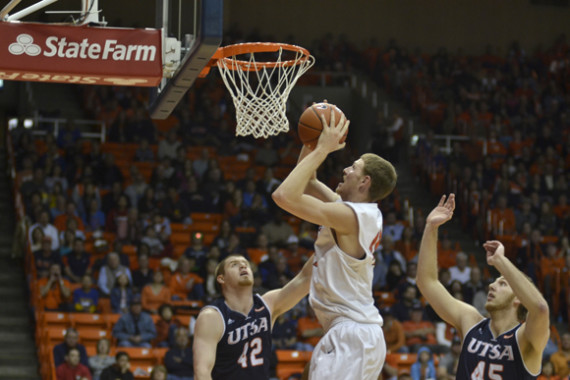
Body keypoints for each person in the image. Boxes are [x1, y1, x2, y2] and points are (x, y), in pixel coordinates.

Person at [271, 110, 397, 380]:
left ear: (365, 182)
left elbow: (284, 195)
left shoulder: (353, 217)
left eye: (353, 168)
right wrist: (313, 142)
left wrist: (324, 149)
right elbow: (308, 182)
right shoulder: (351, 212)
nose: (345, 169)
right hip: (348, 333)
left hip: (353, 334)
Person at [416, 194, 550, 379]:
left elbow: (540, 308)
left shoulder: (526, 338)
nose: (491, 286)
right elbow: (427, 282)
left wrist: (501, 262)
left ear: (519, 297)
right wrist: (431, 228)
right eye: (494, 282)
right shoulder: (471, 321)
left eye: (502, 283)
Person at [193, 253, 313, 380]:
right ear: (222, 278)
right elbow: (202, 373)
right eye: (234, 265)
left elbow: (305, 278)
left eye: (246, 264)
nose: (243, 266)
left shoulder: (267, 304)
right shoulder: (212, 317)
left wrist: (327, 237)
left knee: (313, 367)